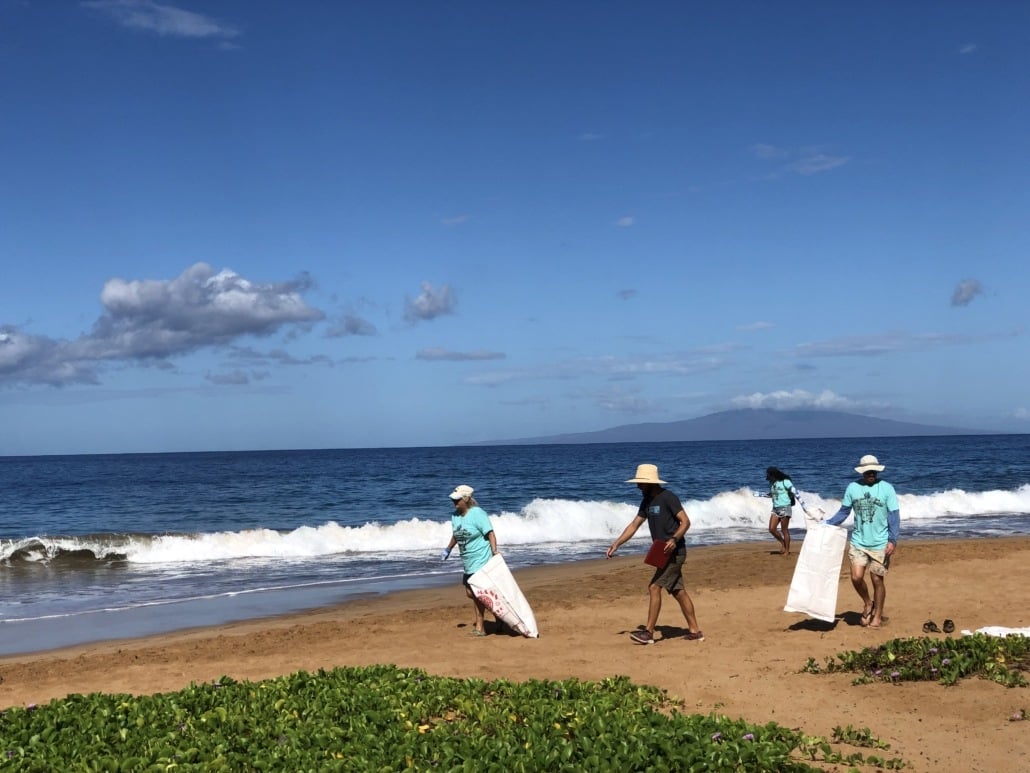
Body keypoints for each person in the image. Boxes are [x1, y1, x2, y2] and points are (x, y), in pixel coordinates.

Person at [606, 463, 704, 645]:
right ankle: (695, 631)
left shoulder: (668, 497)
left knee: (654, 587)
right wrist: (616, 544)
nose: (638, 486)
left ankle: (649, 632)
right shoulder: (646, 502)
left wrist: (674, 539)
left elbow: (685, 522)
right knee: (678, 591)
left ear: (651, 483)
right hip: (661, 553)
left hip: (675, 552)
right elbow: (634, 525)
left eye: (641, 483)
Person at [824, 455, 900, 629]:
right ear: (863, 472)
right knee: (856, 577)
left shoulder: (887, 488)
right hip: (859, 542)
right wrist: (827, 523)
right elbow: (843, 512)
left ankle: (878, 616)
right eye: (868, 471)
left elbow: (894, 516)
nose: (871, 474)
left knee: (876, 579)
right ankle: (868, 603)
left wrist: (893, 540)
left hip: (881, 543)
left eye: (873, 471)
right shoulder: (853, 488)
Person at [440, 484, 498, 636]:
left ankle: (480, 627)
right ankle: (499, 615)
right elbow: (457, 534)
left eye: (457, 500)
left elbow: (490, 533)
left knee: (478, 593)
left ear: (466, 499)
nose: (454, 502)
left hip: (481, 559)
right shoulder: (455, 516)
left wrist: (495, 551)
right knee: (470, 593)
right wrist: (448, 548)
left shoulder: (477, 514)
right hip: (468, 561)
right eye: (453, 500)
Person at [763, 467, 802, 555]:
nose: (767, 477)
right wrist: (761, 494)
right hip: (775, 508)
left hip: (785, 507)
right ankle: (783, 543)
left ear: (773, 475)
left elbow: (794, 491)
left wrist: (803, 504)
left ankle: (787, 550)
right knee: (772, 529)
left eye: (768, 475)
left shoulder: (785, 481)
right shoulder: (772, 483)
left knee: (784, 530)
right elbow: (772, 495)